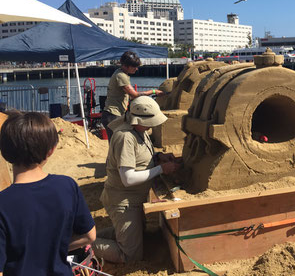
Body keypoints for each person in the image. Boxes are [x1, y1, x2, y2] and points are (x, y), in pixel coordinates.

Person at [0, 112, 96, 275]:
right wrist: (53, 247)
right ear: (51, 151)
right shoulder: (67, 186)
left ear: (4, 152)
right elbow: (89, 236)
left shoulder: (3, 203)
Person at [94, 96, 179, 263]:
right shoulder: (125, 137)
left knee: (136, 235)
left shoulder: (140, 131)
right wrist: (161, 169)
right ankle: (81, 245)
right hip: (123, 201)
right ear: (138, 119)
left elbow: (140, 156)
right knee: (130, 255)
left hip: (135, 198)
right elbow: (128, 178)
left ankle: (88, 237)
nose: (153, 125)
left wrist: (158, 157)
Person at [101, 51, 164, 140]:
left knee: (118, 142)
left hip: (116, 113)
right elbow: (134, 95)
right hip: (112, 114)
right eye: (134, 67)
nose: (136, 69)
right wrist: (153, 91)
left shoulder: (122, 73)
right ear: (126, 66)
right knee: (117, 144)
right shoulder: (121, 76)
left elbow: (129, 96)